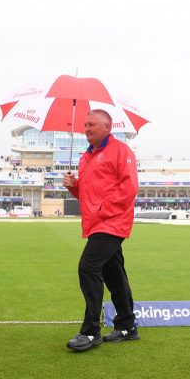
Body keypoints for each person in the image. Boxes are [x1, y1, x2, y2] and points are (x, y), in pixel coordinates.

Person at [62, 109, 140, 352]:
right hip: (96, 222)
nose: (86, 128)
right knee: (113, 273)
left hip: (112, 221)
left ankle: (90, 331)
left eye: (92, 124)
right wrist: (73, 186)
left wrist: (103, 207)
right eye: (85, 124)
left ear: (108, 127)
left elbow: (130, 188)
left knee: (88, 267)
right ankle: (127, 326)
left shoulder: (121, 151)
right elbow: (87, 194)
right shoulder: (86, 157)